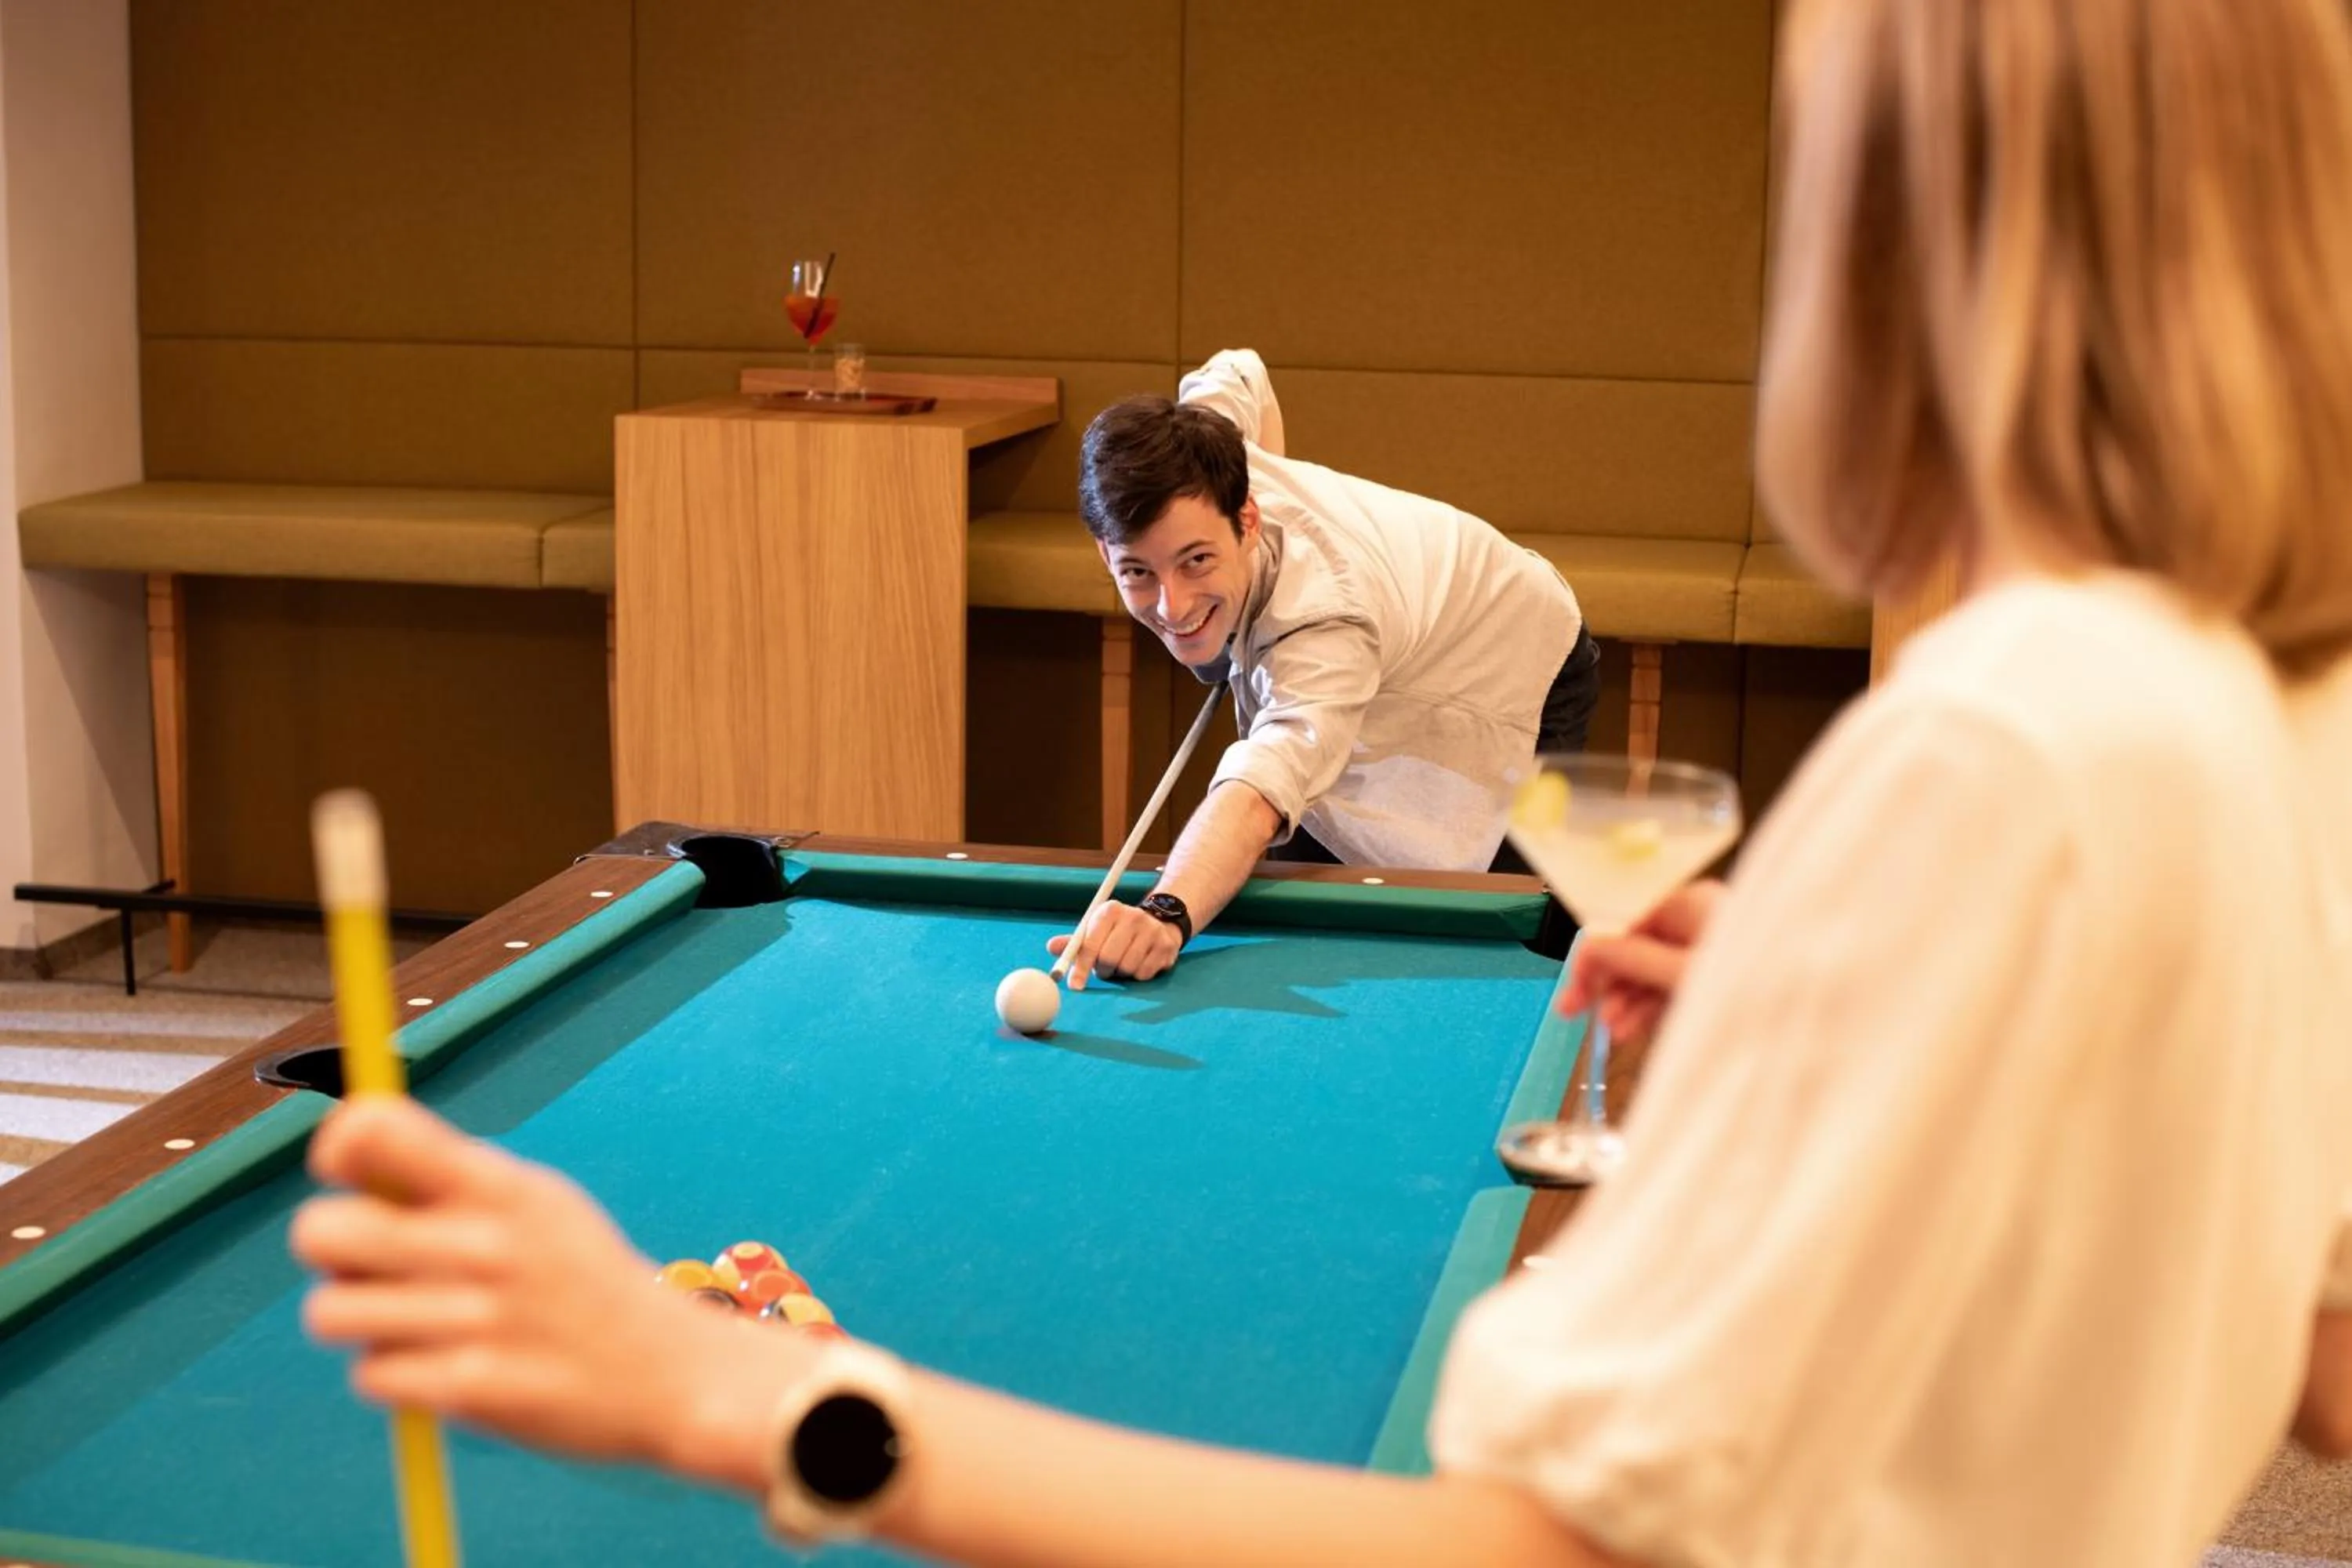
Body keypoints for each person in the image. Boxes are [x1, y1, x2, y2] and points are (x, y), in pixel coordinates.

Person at [291, 0, 2352, 1561]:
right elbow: (2314, 1347)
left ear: (1898, 263)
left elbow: (1516, 1551)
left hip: (1488, 684)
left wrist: (744, 1406)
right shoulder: (2268, 716)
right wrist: (1872, 1035)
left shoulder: (2000, 747)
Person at [1047, 350, 1599, 989]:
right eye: (1138, 572)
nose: (1172, 604)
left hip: (1512, 655)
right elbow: (1237, 370)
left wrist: (1167, 912)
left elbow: (1259, 793)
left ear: (1247, 519)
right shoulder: (1203, 442)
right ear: (1104, 551)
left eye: (1197, 560)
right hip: (1393, 635)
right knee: (1304, 878)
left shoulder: (1323, 620)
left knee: (1488, 932)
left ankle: (1568, 1035)